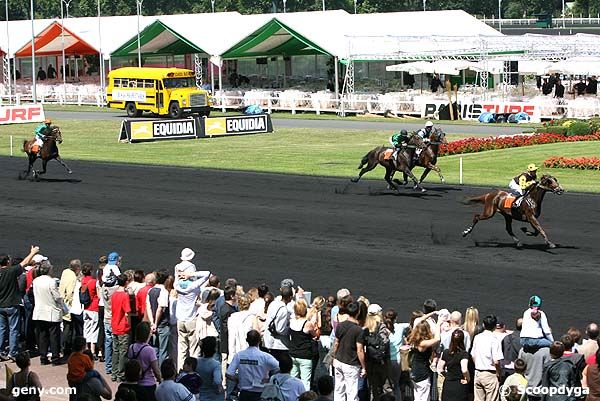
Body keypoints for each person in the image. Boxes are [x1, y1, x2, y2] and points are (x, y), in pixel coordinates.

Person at [0, 245, 40, 362]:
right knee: (14, 330)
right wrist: (33, 252)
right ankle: (13, 352)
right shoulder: (11, 271)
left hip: (1, 305)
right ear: (7, 262)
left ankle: (1, 351)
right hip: (11, 304)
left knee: (2, 329)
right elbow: (25, 262)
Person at [226, 329, 280, 401]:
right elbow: (280, 368)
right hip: (261, 393)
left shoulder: (239, 355)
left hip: (244, 393)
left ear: (246, 340)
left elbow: (229, 374)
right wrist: (269, 379)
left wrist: (238, 380)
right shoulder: (265, 357)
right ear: (259, 340)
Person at [332, 301, 366, 401]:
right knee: (352, 393)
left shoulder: (340, 325)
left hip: (338, 361)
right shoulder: (358, 330)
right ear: (358, 313)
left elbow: (336, 343)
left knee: (338, 390)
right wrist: (364, 367)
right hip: (351, 364)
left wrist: (334, 357)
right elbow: (359, 350)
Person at [470, 315, 503, 401]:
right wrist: (499, 373)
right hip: (490, 374)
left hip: (478, 373)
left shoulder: (477, 337)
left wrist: (478, 365)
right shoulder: (494, 339)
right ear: (495, 326)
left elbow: (473, 355)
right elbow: (496, 361)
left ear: (484, 325)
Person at [127, 321, 162, 400]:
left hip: (135, 382)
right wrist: (160, 380)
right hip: (148, 383)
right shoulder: (150, 350)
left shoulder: (131, 347)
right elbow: (156, 370)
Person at [408, 320, 440, 401]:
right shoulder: (423, 343)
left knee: (418, 396)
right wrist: (439, 323)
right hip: (422, 373)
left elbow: (418, 321)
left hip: (414, 371)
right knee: (424, 397)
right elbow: (437, 339)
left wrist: (431, 314)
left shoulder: (414, 339)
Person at [437, 329, 470, 401]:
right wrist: (467, 379)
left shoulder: (445, 352)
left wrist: (446, 375)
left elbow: (440, 369)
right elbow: (464, 369)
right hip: (459, 384)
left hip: (448, 383)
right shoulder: (463, 354)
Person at [196, 336, 225, 401]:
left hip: (200, 395)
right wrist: (220, 389)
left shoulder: (196, 362)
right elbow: (217, 381)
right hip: (213, 396)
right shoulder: (215, 364)